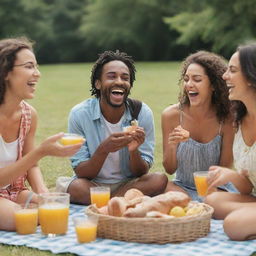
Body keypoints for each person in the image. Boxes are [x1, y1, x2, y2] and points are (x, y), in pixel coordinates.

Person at [56, 50, 168, 205]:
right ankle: (120, 203)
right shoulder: (80, 114)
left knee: (159, 180)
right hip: (92, 185)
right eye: (111, 76)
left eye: (125, 78)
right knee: (77, 187)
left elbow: (142, 172)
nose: (119, 81)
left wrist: (133, 150)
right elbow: (81, 171)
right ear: (98, 83)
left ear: (130, 85)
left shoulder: (142, 113)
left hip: (128, 184)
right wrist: (104, 149)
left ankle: (106, 204)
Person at [0, 37, 83, 231]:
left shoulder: (29, 115)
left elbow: (32, 166)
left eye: (36, 67)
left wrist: (43, 193)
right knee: (24, 220)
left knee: (55, 209)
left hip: (15, 191)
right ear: (5, 72)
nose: (37, 74)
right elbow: (33, 158)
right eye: (29, 67)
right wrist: (41, 151)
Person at [161, 51, 236, 201]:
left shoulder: (227, 120)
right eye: (186, 79)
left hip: (216, 189)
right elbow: (170, 169)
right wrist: (172, 145)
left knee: (214, 204)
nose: (189, 85)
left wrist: (207, 194)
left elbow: (224, 170)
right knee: (163, 187)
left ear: (214, 85)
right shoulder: (171, 115)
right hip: (182, 187)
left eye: (197, 79)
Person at [205, 43, 256, 241]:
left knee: (233, 225)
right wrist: (232, 176)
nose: (225, 76)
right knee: (212, 201)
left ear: (252, 77)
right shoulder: (239, 120)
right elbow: (247, 187)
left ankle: (244, 219)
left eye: (232, 70)